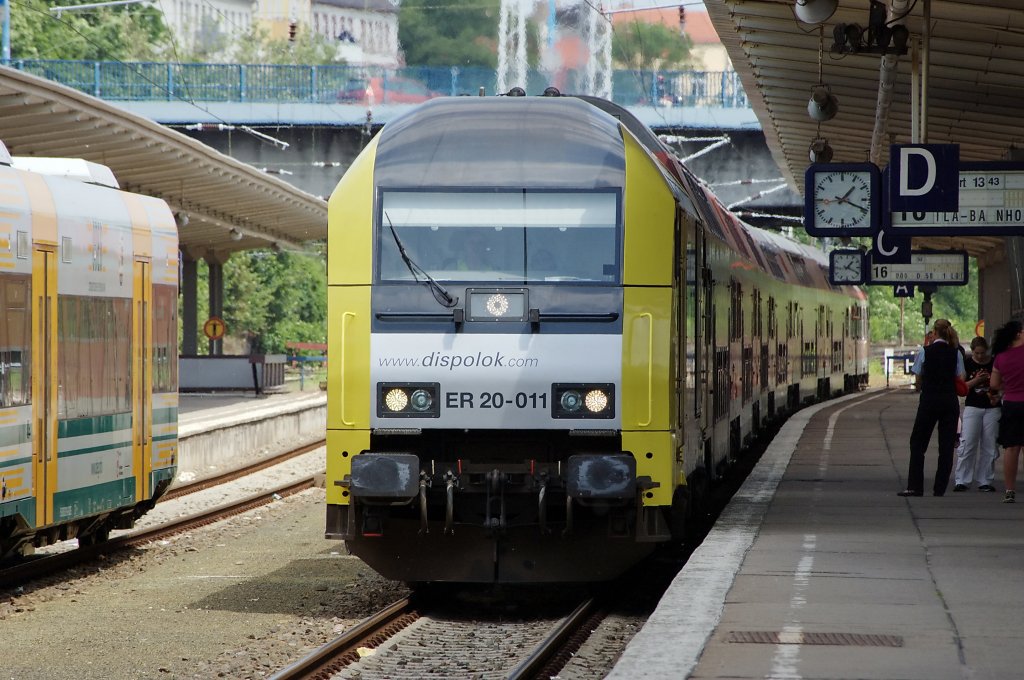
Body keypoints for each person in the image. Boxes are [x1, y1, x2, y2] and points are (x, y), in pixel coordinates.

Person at [898, 319, 966, 497]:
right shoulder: (956, 353)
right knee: (946, 447)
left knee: (918, 443)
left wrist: (923, 386)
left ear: (934, 333)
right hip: (949, 402)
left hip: (929, 401)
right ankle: (939, 489)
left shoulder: (925, 351)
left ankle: (915, 486)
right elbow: (959, 376)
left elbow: (918, 376)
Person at [952, 336, 1000, 492]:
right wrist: (977, 380)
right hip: (973, 406)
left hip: (992, 407)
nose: (980, 356)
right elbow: (962, 387)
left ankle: (985, 480)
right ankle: (962, 480)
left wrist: (997, 395)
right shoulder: (967, 363)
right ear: (972, 351)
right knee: (968, 443)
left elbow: (1001, 382)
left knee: (989, 444)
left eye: (982, 353)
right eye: (977, 353)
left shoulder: (993, 363)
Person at [989, 319, 1024, 503]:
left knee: (1011, 449)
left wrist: (1007, 386)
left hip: (1010, 405)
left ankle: (1009, 491)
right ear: (1018, 334)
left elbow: (993, 384)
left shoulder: (1001, 357)